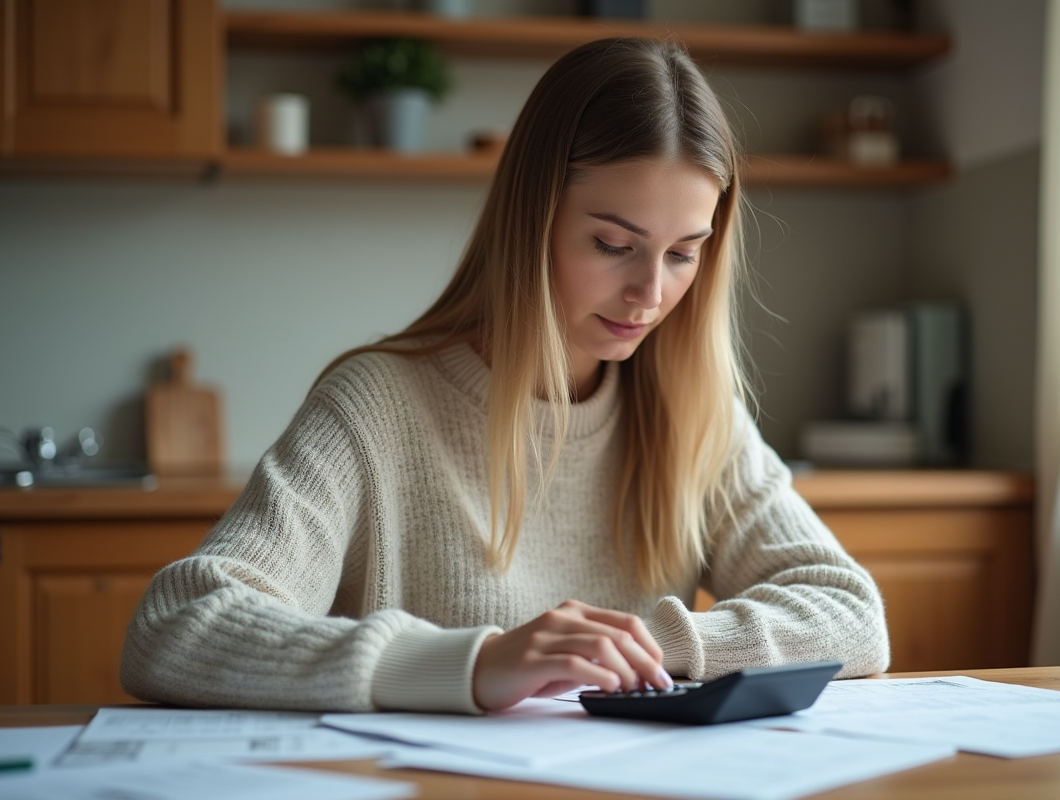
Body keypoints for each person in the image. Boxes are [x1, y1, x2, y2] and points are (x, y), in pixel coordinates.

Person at [120, 37, 889, 714]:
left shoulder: (694, 408)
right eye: (613, 243)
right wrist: (475, 663)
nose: (651, 293)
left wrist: (635, 644)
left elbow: (852, 616)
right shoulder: (375, 406)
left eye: (684, 252)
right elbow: (175, 627)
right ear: (533, 218)